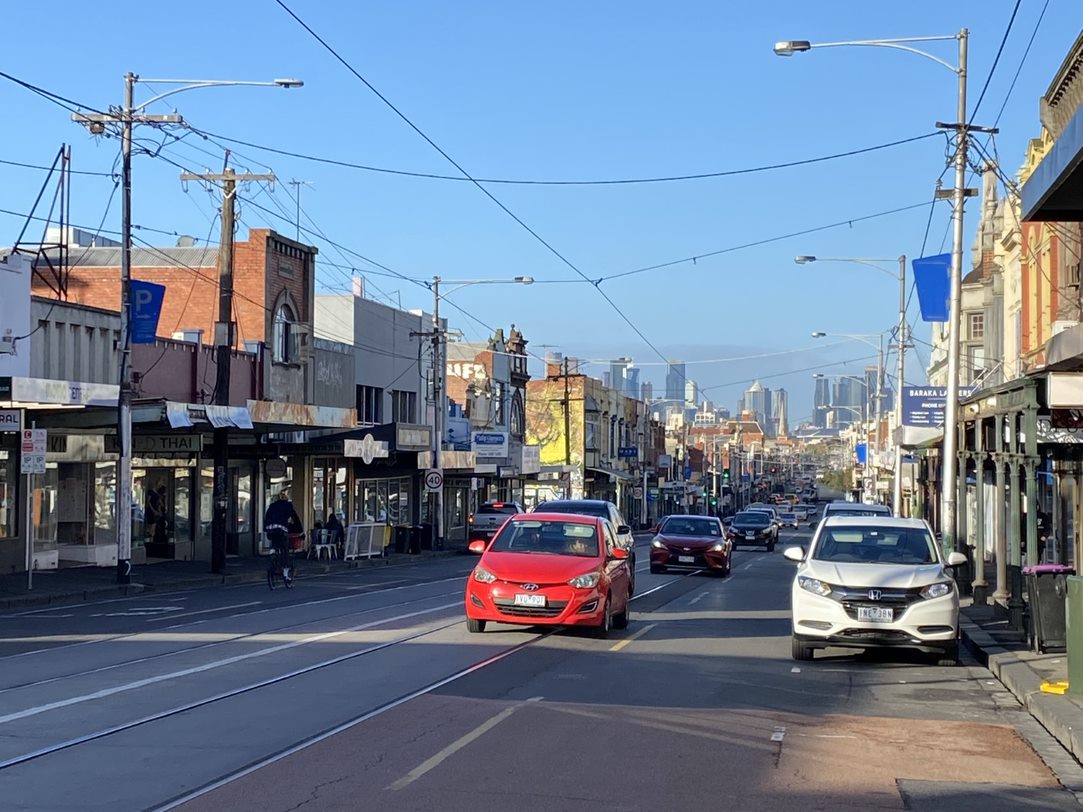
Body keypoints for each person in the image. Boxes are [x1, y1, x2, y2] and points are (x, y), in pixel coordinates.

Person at [264, 491, 302, 580]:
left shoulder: (271, 506)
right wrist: (299, 530)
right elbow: (295, 519)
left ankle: (273, 551)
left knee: (275, 542)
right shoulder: (288, 506)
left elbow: (266, 518)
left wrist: (266, 529)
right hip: (281, 529)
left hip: (270, 529)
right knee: (284, 550)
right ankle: (285, 573)